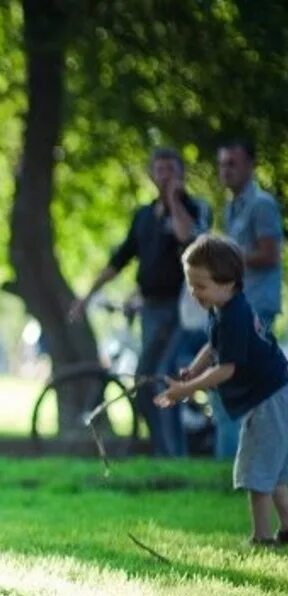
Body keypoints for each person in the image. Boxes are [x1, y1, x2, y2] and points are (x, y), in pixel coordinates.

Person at [69, 147, 212, 457]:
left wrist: (174, 200)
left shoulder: (194, 208)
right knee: (149, 382)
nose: (165, 176)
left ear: (181, 174)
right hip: (151, 310)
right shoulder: (143, 216)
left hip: (182, 312)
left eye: (171, 170)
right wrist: (86, 296)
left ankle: (175, 455)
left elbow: (191, 241)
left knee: (159, 377)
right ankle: (167, 452)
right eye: (159, 170)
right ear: (151, 174)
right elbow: (119, 260)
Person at [156, 235, 288, 546]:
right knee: (278, 473)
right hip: (276, 393)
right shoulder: (225, 309)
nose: (194, 292)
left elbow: (227, 369)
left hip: (269, 399)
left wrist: (186, 387)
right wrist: (195, 370)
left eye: (200, 285)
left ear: (228, 283)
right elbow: (213, 346)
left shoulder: (235, 316)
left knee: (256, 471)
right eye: (191, 284)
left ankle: (262, 538)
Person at [212, 138, 285, 459]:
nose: (226, 170)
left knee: (232, 382)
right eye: (222, 163)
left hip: (256, 306)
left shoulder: (262, 205)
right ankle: (244, 459)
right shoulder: (232, 206)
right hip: (240, 305)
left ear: (250, 165)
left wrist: (228, 255)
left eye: (233, 163)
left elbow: (270, 255)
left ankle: (234, 460)